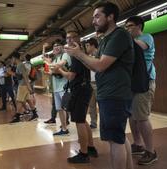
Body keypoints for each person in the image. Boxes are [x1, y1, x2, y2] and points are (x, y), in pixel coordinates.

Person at [64, 2, 134, 169]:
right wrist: (80, 56)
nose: (93, 21)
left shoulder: (119, 35)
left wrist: (79, 53)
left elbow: (100, 65)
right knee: (119, 137)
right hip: (109, 94)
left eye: (97, 16)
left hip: (115, 95)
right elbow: (95, 64)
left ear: (110, 17)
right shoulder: (105, 40)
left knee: (115, 140)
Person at [55, 31, 98, 163]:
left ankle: (83, 154)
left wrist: (59, 70)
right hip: (84, 89)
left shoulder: (76, 55)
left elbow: (71, 76)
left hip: (80, 90)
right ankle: (91, 148)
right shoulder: (81, 53)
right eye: (67, 38)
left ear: (77, 39)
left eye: (71, 37)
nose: (68, 40)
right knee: (83, 121)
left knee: (79, 122)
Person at [125, 15, 158, 165]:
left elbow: (139, 47)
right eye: (125, 27)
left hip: (145, 81)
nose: (127, 29)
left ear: (139, 26)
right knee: (132, 116)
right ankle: (138, 144)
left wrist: (122, 38)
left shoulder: (146, 37)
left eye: (129, 26)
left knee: (142, 117)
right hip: (132, 82)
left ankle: (151, 151)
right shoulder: (129, 42)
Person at [44, 39, 71, 135]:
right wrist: (52, 67)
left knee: (67, 109)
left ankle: (78, 126)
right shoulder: (55, 59)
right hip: (56, 88)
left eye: (58, 45)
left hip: (65, 87)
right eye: (54, 46)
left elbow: (58, 66)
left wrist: (50, 65)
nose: (56, 47)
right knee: (59, 109)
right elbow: (52, 71)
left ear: (62, 47)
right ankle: (64, 129)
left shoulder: (65, 55)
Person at [10, 53, 38, 123]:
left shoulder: (20, 65)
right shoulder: (19, 65)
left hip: (23, 85)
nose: (11, 60)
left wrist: (29, 87)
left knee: (19, 100)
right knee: (28, 100)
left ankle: (17, 116)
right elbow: (21, 76)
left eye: (12, 59)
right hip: (23, 85)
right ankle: (35, 114)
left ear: (14, 58)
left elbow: (25, 76)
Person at [85, 38, 99, 129]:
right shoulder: (87, 57)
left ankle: (105, 123)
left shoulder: (100, 55)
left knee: (102, 104)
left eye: (87, 46)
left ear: (93, 45)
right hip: (90, 83)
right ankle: (93, 123)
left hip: (99, 83)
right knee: (92, 105)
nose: (86, 48)